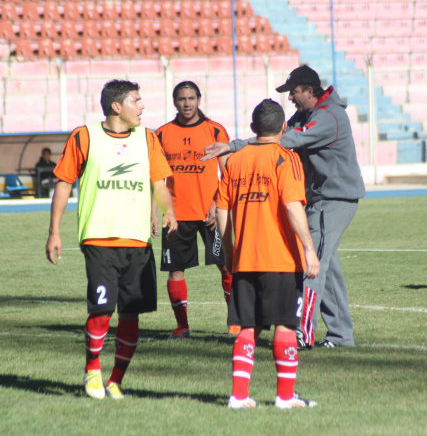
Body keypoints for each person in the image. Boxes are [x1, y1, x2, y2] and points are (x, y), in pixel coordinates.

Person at [204, 65, 366, 349]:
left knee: (310, 263)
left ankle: (303, 331)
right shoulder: (308, 113)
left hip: (335, 200)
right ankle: (342, 336)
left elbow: (281, 139)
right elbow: (276, 133)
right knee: (326, 266)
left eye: (294, 92)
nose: (290, 97)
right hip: (323, 198)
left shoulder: (329, 116)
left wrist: (233, 146)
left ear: (310, 91)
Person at [45, 79, 177, 400]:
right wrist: (54, 231)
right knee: (102, 310)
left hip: (138, 242)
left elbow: (159, 183)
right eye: (137, 100)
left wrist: (168, 210)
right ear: (117, 107)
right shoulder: (84, 136)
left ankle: (115, 380)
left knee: (131, 315)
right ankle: (92, 370)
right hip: (99, 238)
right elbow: (63, 184)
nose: (142, 106)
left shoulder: (148, 138)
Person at [216, 99, 320, 409]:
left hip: (246, 258)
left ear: (252, 129)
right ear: (284, 128)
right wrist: (309, 249)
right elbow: (292, 206)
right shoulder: (285, 159)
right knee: (286, 325)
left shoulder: (235, 160)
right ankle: (285, 397)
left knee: (248, 327)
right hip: (280, 259)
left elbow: (222, 208)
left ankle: (238, 396)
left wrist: (230, 251)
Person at [152, 80, 236, 338]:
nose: (186, 103)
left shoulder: (215, 130)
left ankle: (235, 321)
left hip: (211, 215)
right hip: (176, 216)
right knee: (175, 270)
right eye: (181, 99)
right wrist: (157, 212)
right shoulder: (162, 134)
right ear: (174, 102)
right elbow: (155, 177)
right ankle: (182, 326)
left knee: (226, 267)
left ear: (199, 99)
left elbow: (229, 173)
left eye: (191, 98)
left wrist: (216, 204)